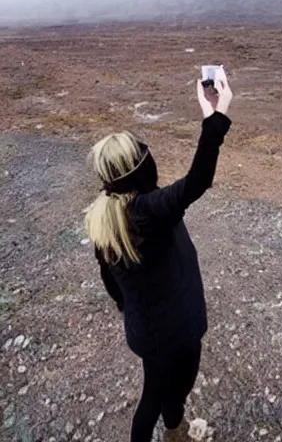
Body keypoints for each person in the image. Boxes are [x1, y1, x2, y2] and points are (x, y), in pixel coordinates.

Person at [84, 78, 233, 442]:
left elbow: (108, 278)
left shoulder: (107, 213)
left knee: (163, 386)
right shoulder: (146, 211)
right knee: (160, 393)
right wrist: (216, 114)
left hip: (152, 328)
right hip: (169, 331)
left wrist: (128, 306)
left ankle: (173, 427)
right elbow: (197, 181)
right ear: (138, 169)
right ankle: (173, 430)